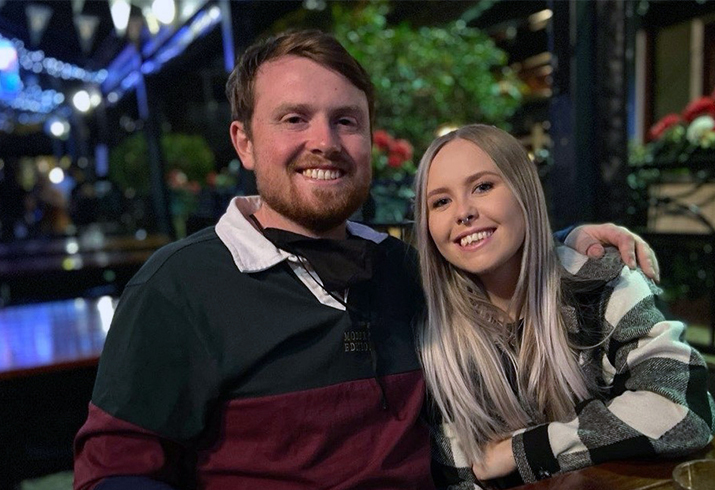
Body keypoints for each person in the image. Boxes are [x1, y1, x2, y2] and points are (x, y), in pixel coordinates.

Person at [74, 31, 659, 490]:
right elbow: (114, 472)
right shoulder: (179, 288)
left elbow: (486, 254)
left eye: (346, 120)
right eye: (294, 118)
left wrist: (562, 241)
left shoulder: (404, 271)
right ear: (244, 141)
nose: (324, 140)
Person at [414, 124, 715, 489]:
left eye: (483, 186)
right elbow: (461, 475)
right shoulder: (430, 333)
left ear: (525, 191)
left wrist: (521, 450)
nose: (463, 212)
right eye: (440, 201)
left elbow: (682, 409)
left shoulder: (602, 281)